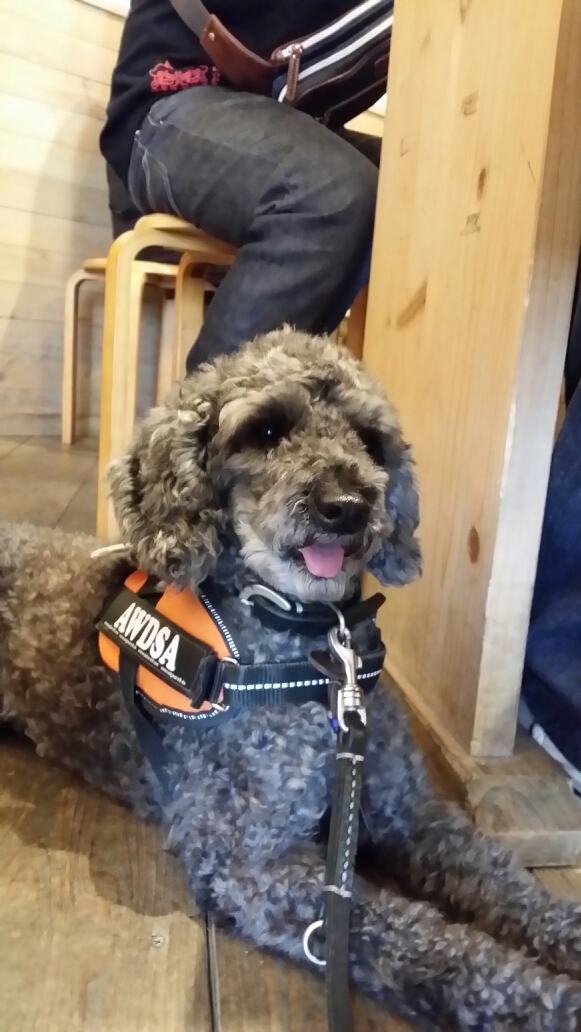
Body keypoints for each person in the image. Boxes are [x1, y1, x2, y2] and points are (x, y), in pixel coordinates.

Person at [100, 0, 382, 372]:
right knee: (330, 193)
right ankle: (212, 409)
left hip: (290, 118)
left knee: (423, 187)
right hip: (171, 95)